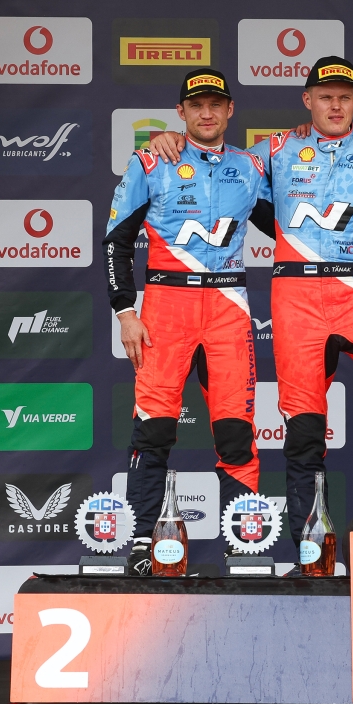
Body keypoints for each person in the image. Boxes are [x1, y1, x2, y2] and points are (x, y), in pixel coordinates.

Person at [147, 56, 353, 545]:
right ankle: (310, 547)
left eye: (344, 97)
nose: (335, 106)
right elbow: (215, 162)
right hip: (296, 298)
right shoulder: (275, 150)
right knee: (304, 427)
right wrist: (170, 139)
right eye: (325, 97)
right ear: (308, 100)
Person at [104, 69, 274, 575]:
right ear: (180, 112)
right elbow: (116, 241)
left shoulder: (251, 166)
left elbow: (292, 221)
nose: (206, 113)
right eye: (196, 105)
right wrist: (125, 311)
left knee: (236, 432)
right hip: (166, 306)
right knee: (153, 428)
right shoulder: (150, 161)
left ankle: (244, 548)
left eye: (215, 104)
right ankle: (142, 544)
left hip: (228, 309)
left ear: (230, 110)